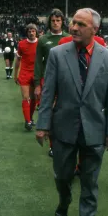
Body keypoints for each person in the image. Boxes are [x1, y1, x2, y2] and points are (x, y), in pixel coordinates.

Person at [36, 8, 108, 216]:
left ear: (94, 29)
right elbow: (48, 93)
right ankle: (64, 202)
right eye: (73, 23)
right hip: (63, 129)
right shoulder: (57, 54)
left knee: (90, 183)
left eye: (80, 24)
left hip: (94, 130)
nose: (73, 27)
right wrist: (42, 125)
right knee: (62, 177)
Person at [34, 8, 69, 157]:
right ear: (49, 22)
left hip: (67, 82)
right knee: (52, 114)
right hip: (49, 82)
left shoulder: (69, 38)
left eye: (58, 20)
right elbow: (38, 64)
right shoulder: (43, 40)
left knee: (66, 114)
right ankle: (53, 145)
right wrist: (37, 84)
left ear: (62, 22)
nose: (55, 23)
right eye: (53, 21)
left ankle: (67, 142)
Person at [14, 24, 38, 131]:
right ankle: (27, 121)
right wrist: (15, 74)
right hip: (24, 73)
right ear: (26, 33)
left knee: (34, 98)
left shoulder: (40, 43)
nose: (31, 33)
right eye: (29, 31)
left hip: (36, 73)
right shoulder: (21, 44)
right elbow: (18, 60)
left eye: (33, 31)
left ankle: (31, 118)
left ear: (36, 32)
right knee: (26, 97)